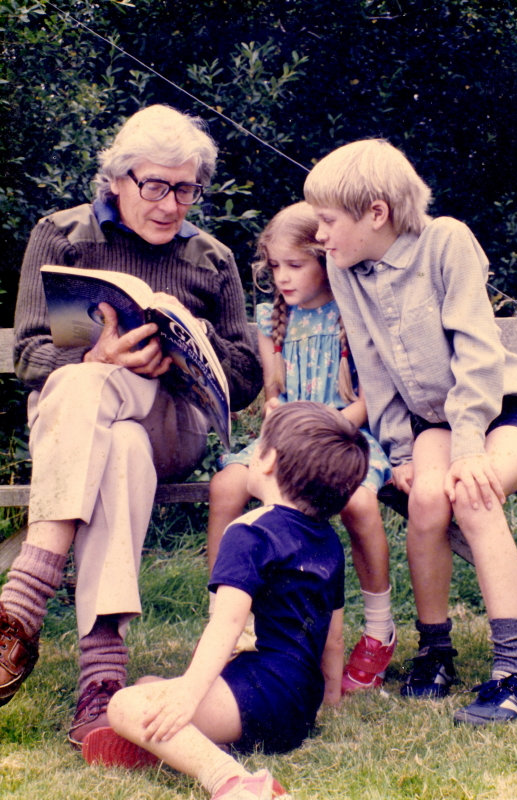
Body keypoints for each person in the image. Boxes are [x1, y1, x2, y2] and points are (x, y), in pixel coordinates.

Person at [0, 105, 262, 747]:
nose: (172, 205)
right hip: (83, 430)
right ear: (117, 178)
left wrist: (194, 344)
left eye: (186, 188)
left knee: (108, 411)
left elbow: (248, 376)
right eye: (156, 186)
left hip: (169, 426)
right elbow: (30, 353)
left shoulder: (212, 258)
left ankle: (22, 602)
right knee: (104, 422)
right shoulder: (62, 235)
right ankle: (101, 686)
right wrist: (96, 356)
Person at [303, 139, 517, 726]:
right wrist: (397, 449)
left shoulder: (446, 241)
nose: (320, 235)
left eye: (328, 220)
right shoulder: (346, 271)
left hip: (505, 409)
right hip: (433, 422)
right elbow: (371, 363)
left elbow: (474, 351)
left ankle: (514, 673)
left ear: (376, 212)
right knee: (425, 499)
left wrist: (469, 448)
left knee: (473, 492)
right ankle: (434, 651)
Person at [78, 401, 370, 799]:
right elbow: (333, 639)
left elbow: (226, 625)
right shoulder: (329, 541)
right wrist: (329, 703)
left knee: (127, 703)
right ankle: (180, 747)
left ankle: (229, 778)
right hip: (299, 707)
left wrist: (189, 694)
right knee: (152, 685)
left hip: (258, 694)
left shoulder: (249, 532)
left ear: (268, 461)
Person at [207, 202, 396, 695]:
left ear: (324, 261)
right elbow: (275, 387)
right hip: (287, 437)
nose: (282, 278)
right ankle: (229, 619)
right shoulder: (273, 315)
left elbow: (373, 395)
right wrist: (274, 406)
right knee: (227, 483)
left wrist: (330, 425)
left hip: (344, 433)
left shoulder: (351, 310)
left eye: (295, 265)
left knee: (358, 500)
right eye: (274, 266)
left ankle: (378, 628)